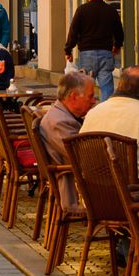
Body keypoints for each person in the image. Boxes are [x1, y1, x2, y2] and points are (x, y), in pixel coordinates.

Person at [40, 70, 97, 205]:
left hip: (74, 175)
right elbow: (83, 157)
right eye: (90, 97)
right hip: (71, 185)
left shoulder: (62, 116)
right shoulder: (60, 122)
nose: (94, 101)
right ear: (73, 97)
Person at [65, 0, 124, 100]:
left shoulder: (82, 10)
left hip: (87, 54)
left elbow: (73, 32)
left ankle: (87, 113)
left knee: (85, 87)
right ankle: (105, 114)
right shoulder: (110, 11)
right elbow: (119, 32)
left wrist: (68, 50)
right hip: (106, 53)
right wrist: (117, 46)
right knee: (107, 87)